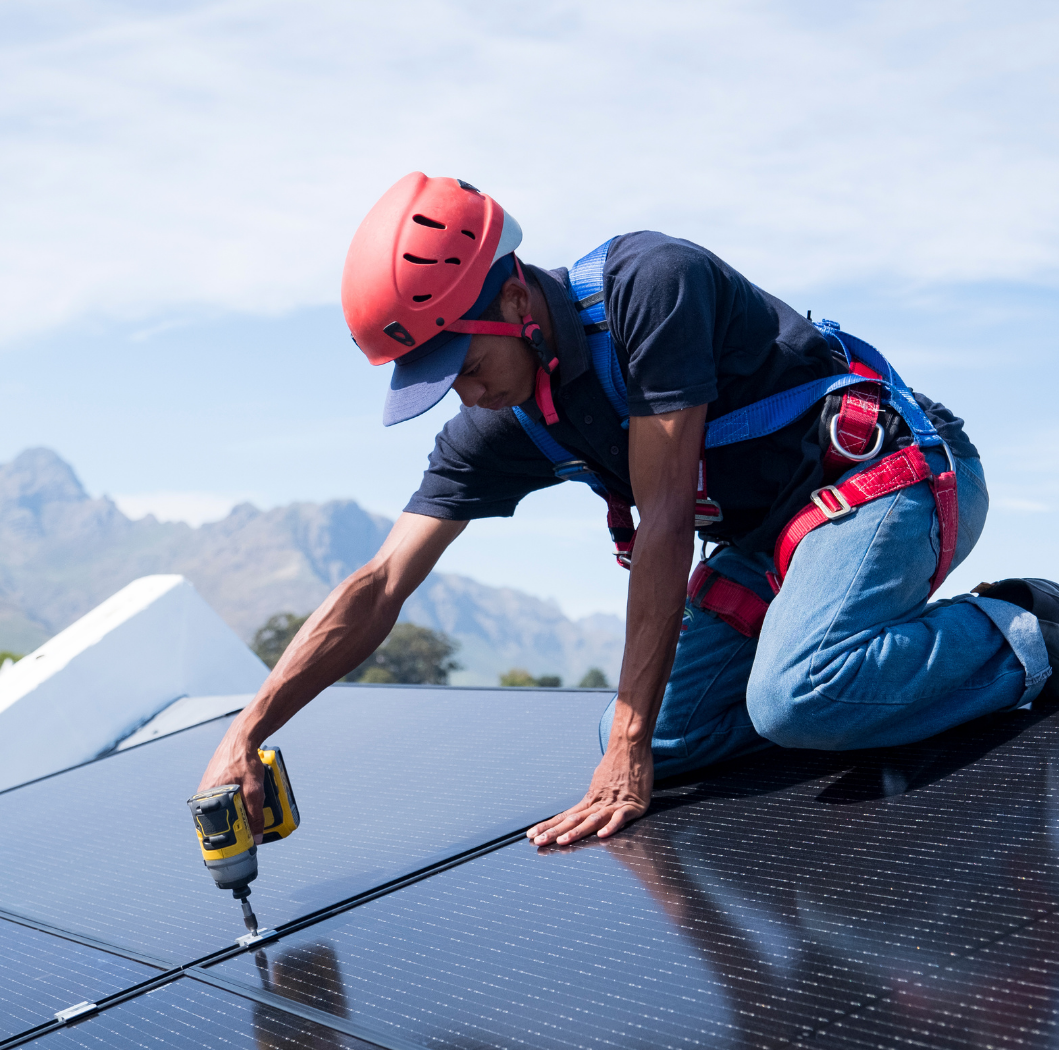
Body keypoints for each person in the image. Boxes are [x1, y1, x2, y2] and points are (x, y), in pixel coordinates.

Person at [199, 172, 1058, 849]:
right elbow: (382, 584)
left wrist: (628, 756)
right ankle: (848, 680)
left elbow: (668, 521)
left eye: (460, 363)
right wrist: (250, 728)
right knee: (652, 729)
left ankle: (1030, 627)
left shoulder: (650, 285)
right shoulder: (497, 428)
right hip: (777, 542)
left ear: (512, 301)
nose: (463, 392)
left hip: (897, 478)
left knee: (796, 697)